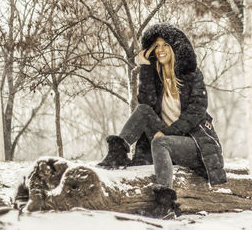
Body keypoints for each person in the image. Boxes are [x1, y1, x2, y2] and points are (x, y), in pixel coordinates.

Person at [97, 23, 227, 218]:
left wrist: (168, 132)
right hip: (165, 142)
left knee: (160, 141)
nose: (161, 50)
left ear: (175, 49)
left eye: (165, 45)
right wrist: (146, 68)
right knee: (142, 111)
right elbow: (146, 103)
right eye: (157, 46)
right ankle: (118, 153)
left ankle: (165, 204)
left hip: (194, 144)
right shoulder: (156, 76)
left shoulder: (192, 76)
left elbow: (197, 111)